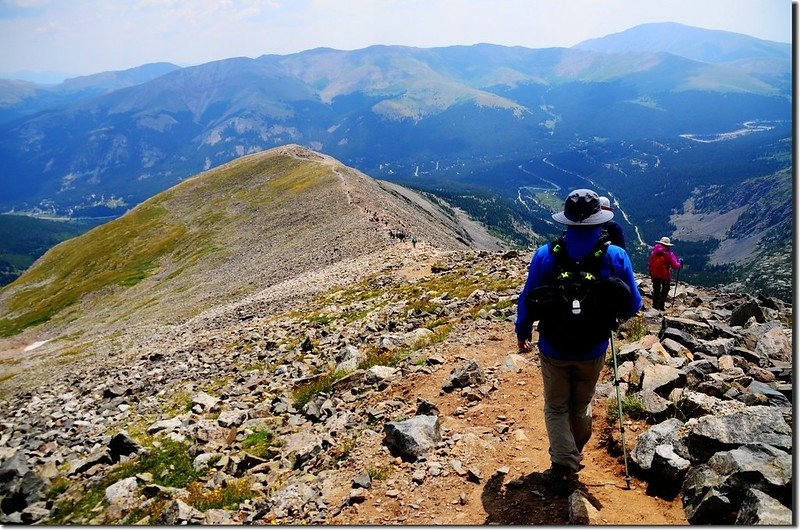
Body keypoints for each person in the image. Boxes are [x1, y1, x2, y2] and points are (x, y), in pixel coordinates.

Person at [515, 189, 642, 496]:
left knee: (556, 407)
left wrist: (523, 332)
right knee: (580, 404)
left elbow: (528, 299)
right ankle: (573, 453)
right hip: (594, 346)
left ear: (567, 219)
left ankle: (562, 466)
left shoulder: (546, 254)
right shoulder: (615, 256)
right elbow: (633, 304)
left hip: (554, 347)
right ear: (599, 219)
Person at [648, 236, 683, 310]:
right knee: (665, 289)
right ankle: (661, 306)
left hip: (655, 274)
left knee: (656, 290)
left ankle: (654, 306)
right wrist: (680, 263)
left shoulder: (654, 252)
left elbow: (650, 263)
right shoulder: (669, 254)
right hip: (665, 275)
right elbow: (675, 266)